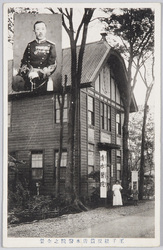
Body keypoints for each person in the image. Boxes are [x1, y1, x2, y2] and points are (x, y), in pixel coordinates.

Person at [18, 20, 57, 91]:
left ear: (46, 30)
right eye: (38, 29)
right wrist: (28, 73)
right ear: (34, 31)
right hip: (29, 79)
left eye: (42, 29)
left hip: (43, 80)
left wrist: (39, 74)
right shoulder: (30, 45)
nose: (40, 32)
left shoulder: (51, 45)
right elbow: (24, 63)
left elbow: (52, 65)